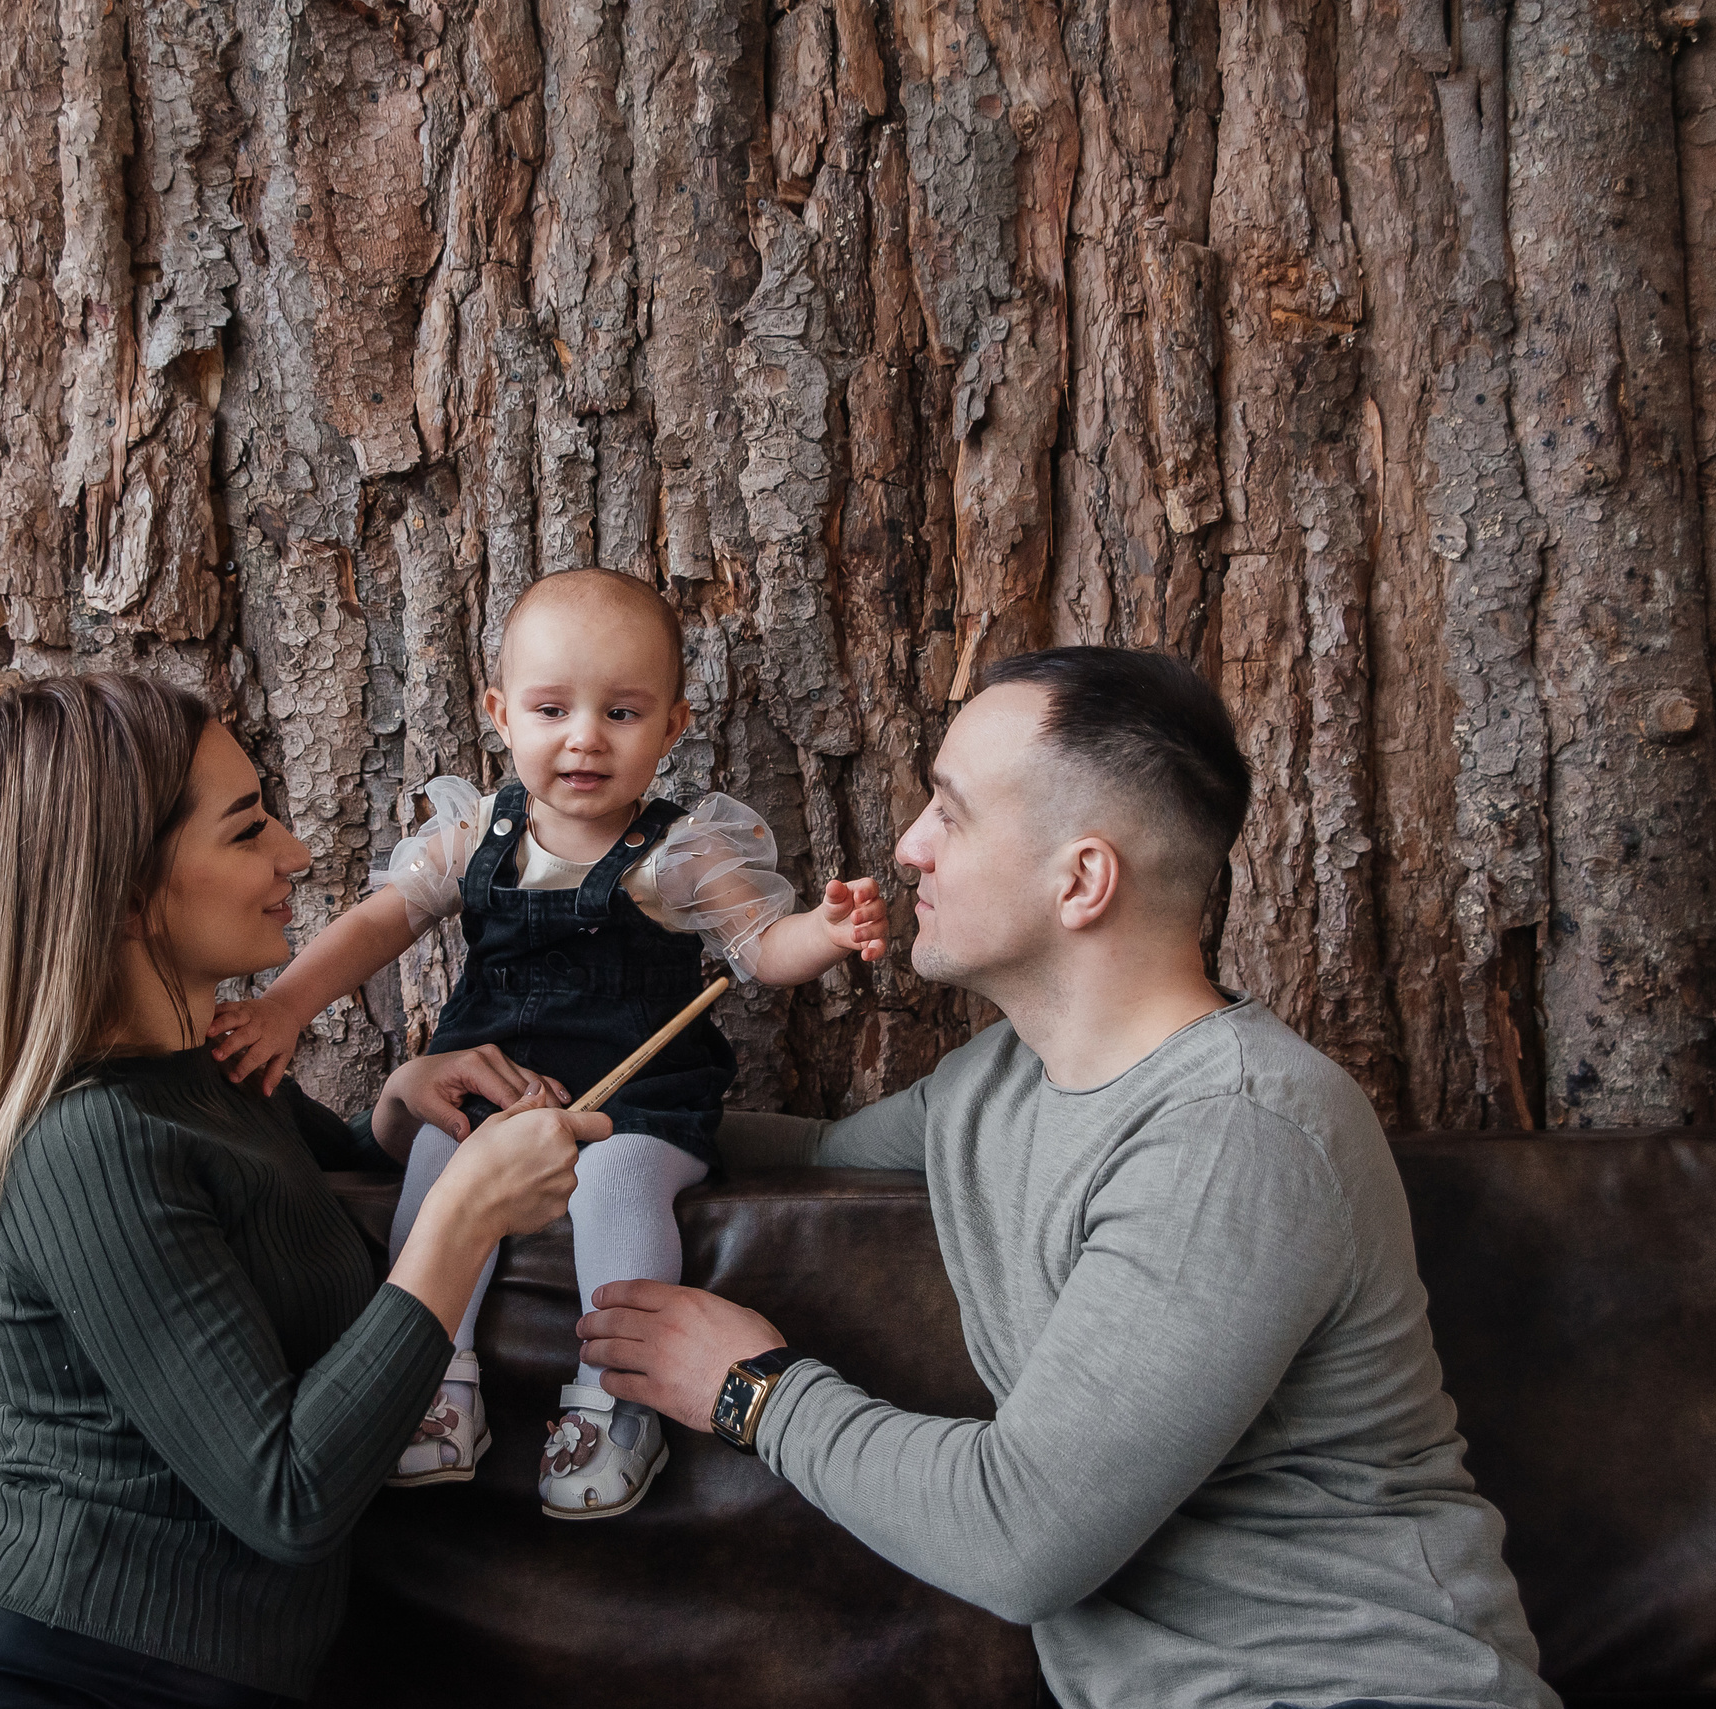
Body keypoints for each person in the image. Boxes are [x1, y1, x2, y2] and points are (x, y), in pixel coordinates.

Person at [578, 648, 1560, 1709]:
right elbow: (808, 1157)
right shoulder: (998, 1082)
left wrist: (753, 1391)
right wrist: (543, 1117)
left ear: (1081, 879)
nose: (908, 846)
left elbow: (1022, 1537)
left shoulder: (1233, 1132)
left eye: (950, 812)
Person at [0, 673, 606, 1708]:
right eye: (249, 829)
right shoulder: (91, 1140)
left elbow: (271, 1207)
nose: (295, 851)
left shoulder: (207, 1082)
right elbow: (287, 1494)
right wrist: (463, 1215)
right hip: (39, 1674)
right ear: (123, 892)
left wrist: (397, 1107)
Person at [204, 569, 890, 1518]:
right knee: (442, 1159)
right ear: (499, 711)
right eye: (551, 707)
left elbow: (761, 951)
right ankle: (435, 1379)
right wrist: (282, 1007)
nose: (584, 738)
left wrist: (827, 930)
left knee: (613, 1183)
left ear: (674, 725)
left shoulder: (677, 852)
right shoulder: (472, 839)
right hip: (494, 1089)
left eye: (621, 711)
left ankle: (617, 1395)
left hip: (635, 1102)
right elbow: (376, 926)